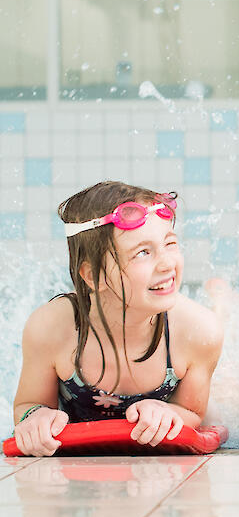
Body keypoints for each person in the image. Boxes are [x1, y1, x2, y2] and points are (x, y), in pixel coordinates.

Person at [12, 181, 223, 456]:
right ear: (93, 275)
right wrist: (36, 416)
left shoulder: (199, 331)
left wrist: (169, 411)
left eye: (170, 243)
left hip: (187, 343)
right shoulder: (52, 328)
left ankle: (223, 302)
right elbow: (27, 404)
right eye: (143, 253)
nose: (167, 264)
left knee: (226, 393)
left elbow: (193, 412)